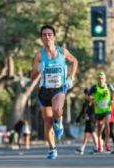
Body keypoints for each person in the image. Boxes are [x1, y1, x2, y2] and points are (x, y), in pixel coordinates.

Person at [30, 25, 78, 159]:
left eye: (49, 34)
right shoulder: (39, 55)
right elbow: (32, 77)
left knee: (57, 110)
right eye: (44, 35)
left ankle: (59, 122)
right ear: (41, 38)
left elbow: (74, 61)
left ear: (54, 37)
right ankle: (52, 149)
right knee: (47, 122)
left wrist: (71, 77)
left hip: (59, 88)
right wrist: (38, 69)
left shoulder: (62, 51)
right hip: (44, 90)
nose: (47, 37)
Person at [86, 71, 114, 153]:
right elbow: (87, 96)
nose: (101, 80)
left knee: (107, 125)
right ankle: (99, 144)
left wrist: (113, 100)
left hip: (107, 109)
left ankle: (107, 143)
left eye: (102, 78)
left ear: (105, 79)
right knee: (99, 128)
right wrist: (93, 100)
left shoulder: (109, 86)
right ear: (97, 79)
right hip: (98, 111)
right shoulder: (94, 87)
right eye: (99, 78)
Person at [75, 88, 98, 155]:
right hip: (88, 120)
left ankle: (94, 147)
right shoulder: (86, 102)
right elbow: (82, 112)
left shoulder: (93, 102)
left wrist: (93, 119)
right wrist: (78, 119)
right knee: (88, 133)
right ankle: (86, 148)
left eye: (87, 95)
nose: (85, 96)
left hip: (92, 120)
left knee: (90, 133)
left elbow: (94, 112)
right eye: (85, 95)